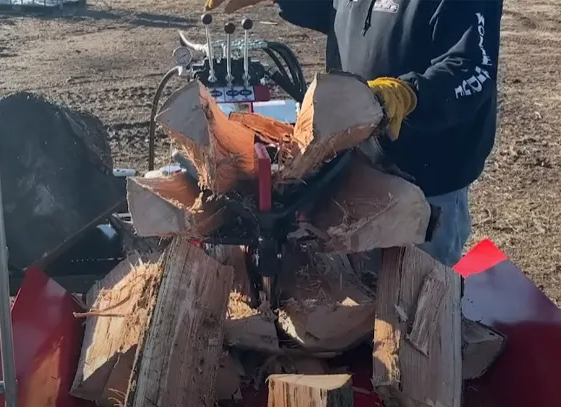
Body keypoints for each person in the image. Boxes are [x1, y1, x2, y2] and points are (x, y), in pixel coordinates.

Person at [205, 0, 503, 267]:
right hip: (355, 162)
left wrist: (408, 95)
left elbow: (473, 68)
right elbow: (336, 10)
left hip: (425, 181)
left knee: (414, 307)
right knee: (355, 303)